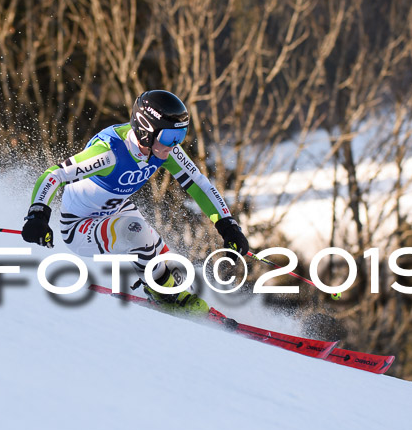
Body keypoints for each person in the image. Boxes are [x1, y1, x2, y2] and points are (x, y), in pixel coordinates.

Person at [21, 90, 249, 314]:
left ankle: (177, 297)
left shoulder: (163, 151)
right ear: (145, 131)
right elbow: (54, 175)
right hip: (80, 225)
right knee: (138, 234)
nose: (174, 145)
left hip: (117, 212)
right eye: (170, 138)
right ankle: (162, 294)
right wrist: (38, 216)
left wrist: (228, 226)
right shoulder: (108, 152)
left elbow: (198, 184)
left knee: (174, 269)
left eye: (180, 137)